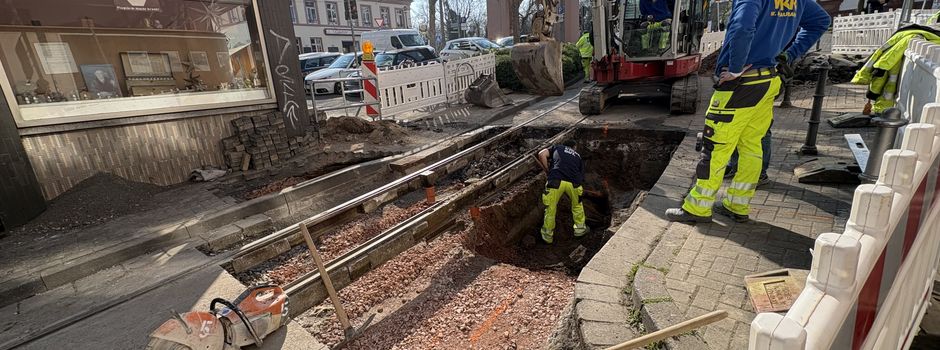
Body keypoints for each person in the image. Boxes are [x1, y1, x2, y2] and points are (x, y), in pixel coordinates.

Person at [665, 0, 830, 224]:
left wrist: (735, 69)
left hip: (741, 84)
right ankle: (737, 204)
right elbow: (821, 21)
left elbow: (742, 27)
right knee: (751, 145)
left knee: (715, 146)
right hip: (769, 80)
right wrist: (789, 55)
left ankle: (697, 208)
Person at [536, 140, 588, 244]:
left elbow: (541, 154)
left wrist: (547, 170)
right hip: (574, 183)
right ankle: (580, 231)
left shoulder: (557, 147)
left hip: (556, 180)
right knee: (577, 206)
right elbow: (581, 175)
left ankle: (547, 236)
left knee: (550, 209)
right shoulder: (577, 156)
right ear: (574, 147)